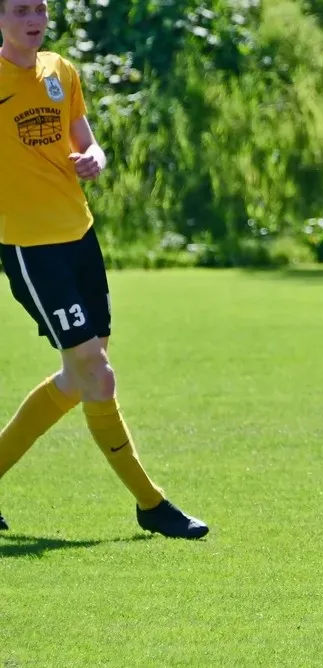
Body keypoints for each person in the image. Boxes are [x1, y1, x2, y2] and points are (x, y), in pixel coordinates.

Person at [0, 0, 207, 538]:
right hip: (30, 247)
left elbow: (85, 138)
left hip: (80, 235)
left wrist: (96, 158)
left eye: (39, 7)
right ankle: (150, 503)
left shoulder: (60, 70)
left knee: (83, 375)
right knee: (95, 370)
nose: (33, 17)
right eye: (20, 9)